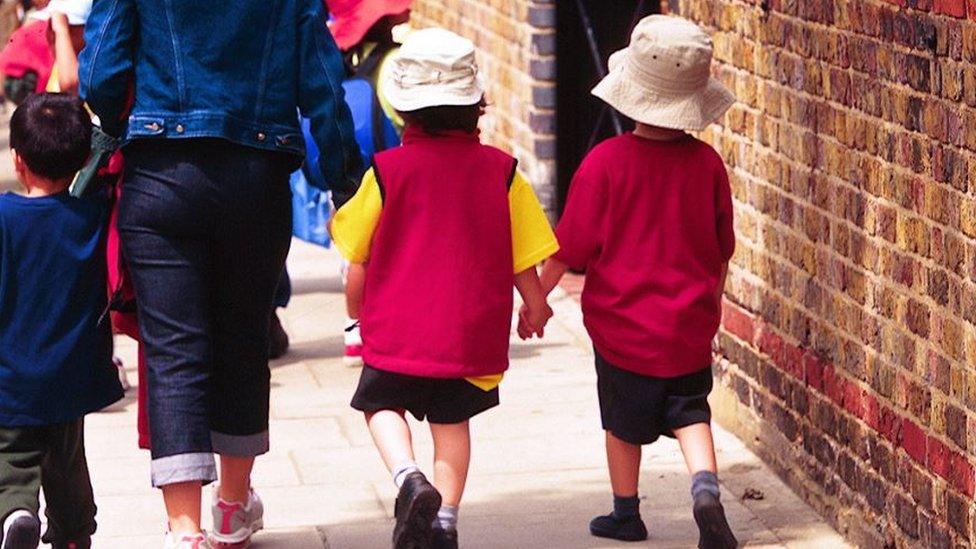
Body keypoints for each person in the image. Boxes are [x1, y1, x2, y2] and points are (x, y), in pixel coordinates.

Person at [79, 0, 363, 547]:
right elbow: (324, 80)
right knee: (242, 338)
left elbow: (100, 73)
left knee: (173, 352)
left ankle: (184, 530)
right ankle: (232, 507)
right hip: (255, 179)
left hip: (161, 174)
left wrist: (116, 119)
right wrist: (344, 177)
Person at [331, 28, 559, 549]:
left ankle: (408, 478)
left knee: (379, 406)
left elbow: (357, 257)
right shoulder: (502, 172)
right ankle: (446, 522)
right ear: (475, 107)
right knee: (452, 423)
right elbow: (525, 253)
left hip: (398, 330)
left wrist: (357, 316)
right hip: (468, 332)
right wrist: (537, 304)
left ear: (404, 112)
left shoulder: (387, 172)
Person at [527, 15, 739, 548]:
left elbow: (569, 248)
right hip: (688, 330)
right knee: (692, 413)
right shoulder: (708, 165)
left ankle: (626, 513)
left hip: (623, 334)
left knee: (623, 424)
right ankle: (706, 491)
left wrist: (536, 302)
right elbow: (721, 251)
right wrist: (709, 311)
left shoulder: (604, 164)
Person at [0, 93, 123, 549]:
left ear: (17, 160)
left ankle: (15, 511)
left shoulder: (5, 218)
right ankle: (73, 532)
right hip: (74, 375)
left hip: (11, 378)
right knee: (67, 460)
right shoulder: (92, 214)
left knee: (12, 456)